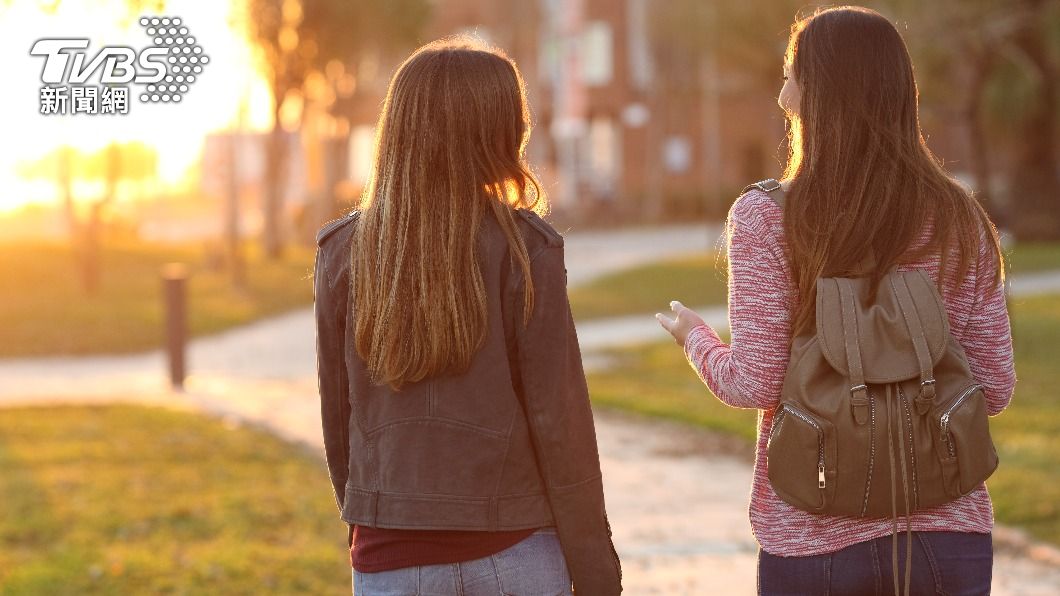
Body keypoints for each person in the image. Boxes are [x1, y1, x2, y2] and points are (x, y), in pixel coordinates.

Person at [657, 6, 1015, 595]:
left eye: (791, 75)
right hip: (947, 540)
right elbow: (993, 390)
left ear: (817, 95)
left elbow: (755, 384)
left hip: (810, 539)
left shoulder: (768, 217)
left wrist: (695, 339)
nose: (781, 97)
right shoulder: (962, 220)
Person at [313, 38, 622, 595]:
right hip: (513, 551)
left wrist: (377, 517)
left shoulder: (343, 251)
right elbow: (562, 424)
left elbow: (339, 421)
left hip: (388, 559)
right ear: (497, 132)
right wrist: (597, 574)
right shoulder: (526, 248)